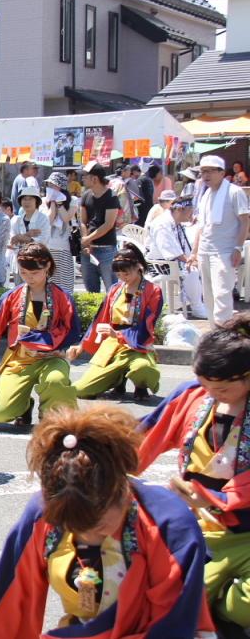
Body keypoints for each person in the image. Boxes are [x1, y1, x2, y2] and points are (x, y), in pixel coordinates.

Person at [0, 405, 213, 637]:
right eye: (73, 528)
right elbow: (9, 610)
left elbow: (175, 624)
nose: (86, 537)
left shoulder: (168, 523)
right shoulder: (42, 515)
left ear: (121, 489)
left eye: (97, 526)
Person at [136, 315, 250, 632]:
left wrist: (212, 498)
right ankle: (210, 597)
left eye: (223, 388)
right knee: (153, 595)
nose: (212, 395)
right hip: (194, 527)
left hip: (245, 532)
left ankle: (223, 603)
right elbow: (140, 438)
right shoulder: (193, 396)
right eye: (207, 386)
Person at [0, 243, 81, 427]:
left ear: (47, 266)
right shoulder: (12, 296)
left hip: (51, 358)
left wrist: (65, 347)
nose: (29, 278)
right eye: (24, 273)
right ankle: (23, 405)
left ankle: (52, 418)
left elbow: (72, 328)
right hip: (20, 359)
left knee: (56, 381)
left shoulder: (62, 297)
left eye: (34, 273)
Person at [69, 244, 162, 402]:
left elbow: (148, 324)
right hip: (112, 345)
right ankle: (118, 379)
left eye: (126, 273)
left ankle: (141, 384)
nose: (122, 277)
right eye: (118, 274)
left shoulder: (153, 291)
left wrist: (119, 334)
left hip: (137, 346)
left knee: (143, 369)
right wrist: (82, 345)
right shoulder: (115, 289)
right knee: (81, 390)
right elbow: (100, 319)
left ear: (138, 266)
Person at [191, 154, 250, 327]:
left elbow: (244, 220)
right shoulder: (206, 195)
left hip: (225, 251)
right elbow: (201, 227)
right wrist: (194, 252)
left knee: (222, 295)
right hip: (205, 251)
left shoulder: (234, 191)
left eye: (210, 171)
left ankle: (223, 334)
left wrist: (238, 247)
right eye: (203, 172)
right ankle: (213, 332)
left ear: (221, 172)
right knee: (208, 296)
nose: (206, 176)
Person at [147, 196, 209, 320]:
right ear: (180, 210)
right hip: (158, 265)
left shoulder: (176, 223)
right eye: (190, 211)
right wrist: (189, 261)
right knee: (192, 270)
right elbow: (170, 250)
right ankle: (197, 307)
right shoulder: (162, 224)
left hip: (170, 262)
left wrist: (193, 258)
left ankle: (202, 303)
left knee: (202, 265)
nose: (191, 215)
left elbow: (184, 246)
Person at [79, 163, 120, 293]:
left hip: (106, 249)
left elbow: (108, 224)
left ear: (95, 178)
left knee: (111, 289)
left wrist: (88, 239)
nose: (83, 179)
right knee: (91, 290)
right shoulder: (86, 195)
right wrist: (86, 241)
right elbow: (82, 221)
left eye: (85, 176)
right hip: (88, 250)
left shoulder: (111, 196)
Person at [41, 172, 77, 295]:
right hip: (47, 247)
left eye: (53, 185)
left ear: (61, 187)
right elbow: (48, 220)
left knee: (65, 285)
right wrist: (51, 203)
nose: (50, 187)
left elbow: (66, 218)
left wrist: (60, 203)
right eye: (48, 184)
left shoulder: (72, 201)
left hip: (63, 248)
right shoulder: (42, 201)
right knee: (48, 283)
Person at [10, 185, 51, 261]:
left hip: (38, 260)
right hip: (20, 260)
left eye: (30, 199)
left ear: (36, 201)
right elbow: (12, 242)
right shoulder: (16, 220)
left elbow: (42, 242)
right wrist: (27, 235)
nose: (27, 202)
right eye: (24, 199)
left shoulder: (43, 219)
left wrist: (21, 238)